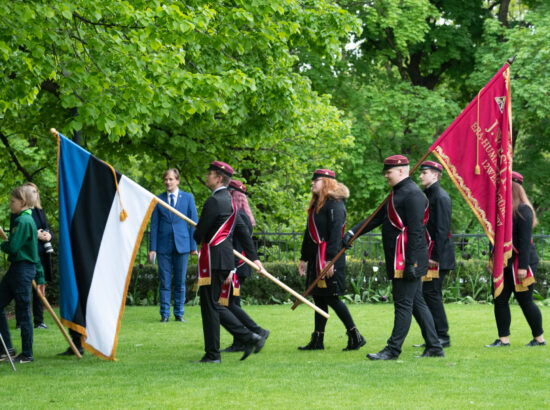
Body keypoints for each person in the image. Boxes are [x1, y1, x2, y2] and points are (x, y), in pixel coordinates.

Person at [343, 155, 444, 360]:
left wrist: (412, 263)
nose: (386, 176)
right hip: (402, 258)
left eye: (389, 172)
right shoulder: (396, 193)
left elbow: (416, 231)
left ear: (401, 170)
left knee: (403, 304)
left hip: (408, 259)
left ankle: (393, 350)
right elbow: (376, 218)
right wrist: (353, 233)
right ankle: (434, 346)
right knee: (416, 303)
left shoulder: (413, 195)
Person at [193, 161, 266, 363]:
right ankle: (245, 338)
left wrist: (197, 232)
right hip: (224, 261)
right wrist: (255, 258)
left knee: (210, 306)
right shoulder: (231, 202)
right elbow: (243, 233)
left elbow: (199, 235)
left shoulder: (214, 201)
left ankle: (225, 348)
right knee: (214, 305)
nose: (206, 176)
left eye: (209, 173)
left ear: (218, 178)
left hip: (214, 260)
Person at [298, 169, 366, 351]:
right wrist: (304, 258)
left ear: (327, 182)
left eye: (316, 180)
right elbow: (309, 234)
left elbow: (336, 235)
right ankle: (317, 340)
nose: (312, 183)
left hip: (330, 258)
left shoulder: (336, 205)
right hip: (316, 258)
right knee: (319, 299)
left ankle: (355, 336)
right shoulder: (316, 205)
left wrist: (330, 260)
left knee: (332, 298)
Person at [485, 171, 545, 348]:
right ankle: (503, 339)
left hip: (521, 262)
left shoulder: (523, 210)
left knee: (525, 301)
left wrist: (523, 268)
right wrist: (492, 260)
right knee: (500, 299)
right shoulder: (499, 212)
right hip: (503, 262)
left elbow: (525, 242)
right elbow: (494, 239)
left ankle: (539, 339)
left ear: (513, 187)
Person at [221, 179, 269, 353]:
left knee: (229, 304)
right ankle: (240, 341)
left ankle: (257, 331)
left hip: (236, 267)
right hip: (240, 267)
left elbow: (237, 247)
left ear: (232, 194)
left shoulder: (238, 216)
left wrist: (231, 268)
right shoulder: (243, 215)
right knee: (233, 304)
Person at [0, 185, 45, 363]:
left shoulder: (23, 222)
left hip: (22, 270)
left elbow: (13, 247)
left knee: (23, 311)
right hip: (17, 269)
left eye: (13, 201)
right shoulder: (25, 220)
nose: (10, 204)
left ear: (23, 202)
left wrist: (3, 244)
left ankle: (27, 353)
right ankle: (7, 348)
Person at [149, 168, 198, 322]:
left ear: (178, 180)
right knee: (164, 281)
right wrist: (152, 249)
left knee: (180, 281)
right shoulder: (158, 199)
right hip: (163, 246)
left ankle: (179, 313)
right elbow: (154, 226)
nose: (167, 182)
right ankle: (164, 314)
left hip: (182, 246)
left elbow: (193, 224)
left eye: (171, 179)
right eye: (166, 179)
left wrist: (193, 246)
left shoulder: (188, 198)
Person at [416, 161, 456, 348]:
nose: (421, 176)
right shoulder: (430, 196)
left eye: (424, 173)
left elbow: (442, 230)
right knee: (427, 294)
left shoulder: (440, 197)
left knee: (431, 294)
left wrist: (435, 257)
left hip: (437, 257)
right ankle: (433, 336)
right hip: (430, 254)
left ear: (435, 175)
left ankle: (442, 336)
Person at [10, 182, 54, 330]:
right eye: (31, 191)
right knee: (23, 287)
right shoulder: (19, 214)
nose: (34, 194)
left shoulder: (40, 211)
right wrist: (34, 234)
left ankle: (39, 320)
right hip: (26, 254)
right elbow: (16, 232)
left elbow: (46, 228)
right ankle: (21, 322)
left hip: (40, 253)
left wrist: (48, 235)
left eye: (36, 192)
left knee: (40, 286)